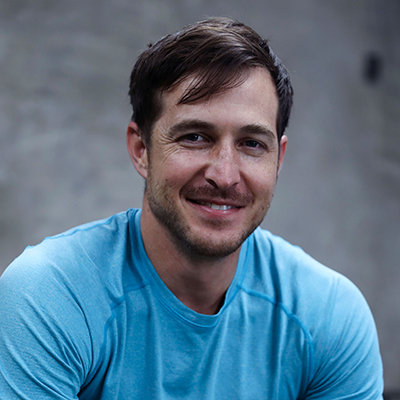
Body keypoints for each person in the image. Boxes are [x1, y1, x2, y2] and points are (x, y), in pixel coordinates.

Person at [0, 17, 383, 399]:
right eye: (196, 137)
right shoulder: (50, 295)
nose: (225, 175)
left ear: (278, 159)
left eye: (252, 144)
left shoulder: (329, 315)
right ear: (142, 150)